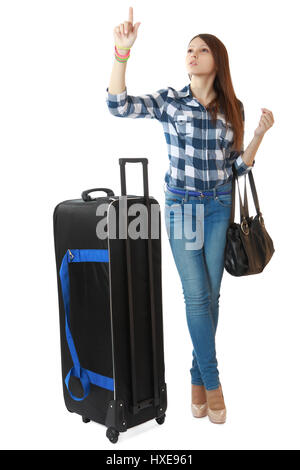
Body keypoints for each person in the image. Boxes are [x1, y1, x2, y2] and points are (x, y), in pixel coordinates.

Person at [106, 6, 274, 424]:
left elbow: (235, 166)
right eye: (189, 49)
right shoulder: (170, 100)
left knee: (212, 296)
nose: (192, 54)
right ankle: (213, 383)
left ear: (218, 59)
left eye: (201, 49)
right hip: (181, 206)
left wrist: (257, 136)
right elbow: (118, 105)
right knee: (197, 295)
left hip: (218, 206)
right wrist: (121, 54)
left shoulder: (232, 105)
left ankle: (196, 377)